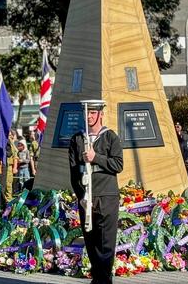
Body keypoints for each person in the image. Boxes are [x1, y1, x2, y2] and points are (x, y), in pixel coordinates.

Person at [68, 100, 123, 284]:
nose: (89, 116)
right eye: (87, 113)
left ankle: (104, 280)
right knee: (90, 240)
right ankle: (97, 279)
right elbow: (74, 172)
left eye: (93, 113)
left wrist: (95, 158)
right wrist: (81, 196)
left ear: (101, 114)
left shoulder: (110, 137)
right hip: (86, 197)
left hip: (107, 195)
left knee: (106, 241)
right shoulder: (77, 139)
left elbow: (118, 164)